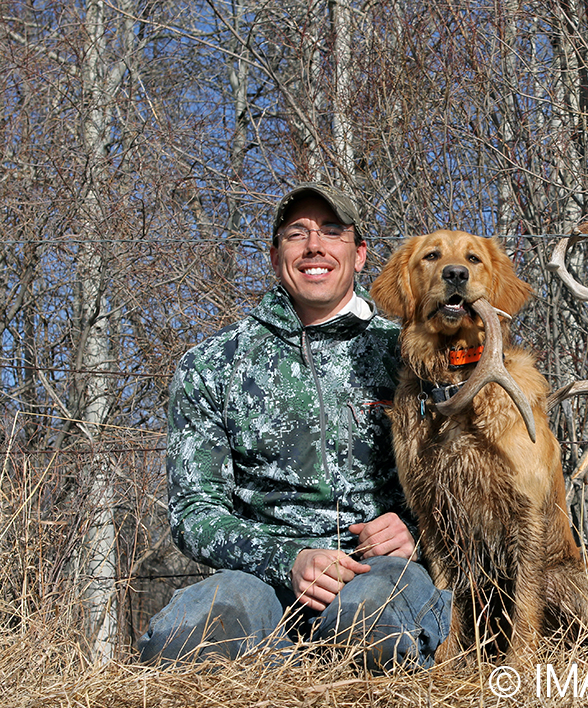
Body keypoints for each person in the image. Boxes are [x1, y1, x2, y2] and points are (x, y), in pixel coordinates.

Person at [137, 184, 450, 669]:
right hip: (260, 580)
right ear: (275, 254)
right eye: (296, 233)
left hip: (383, 571)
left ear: (360, 254)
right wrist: (287, 559)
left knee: (374, 627)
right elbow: (193, 513)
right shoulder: (214, 364)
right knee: (187, 639)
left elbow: (466, 484)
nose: (314, 246)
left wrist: (417, 532)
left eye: (331, 232)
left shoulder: (415, 356)